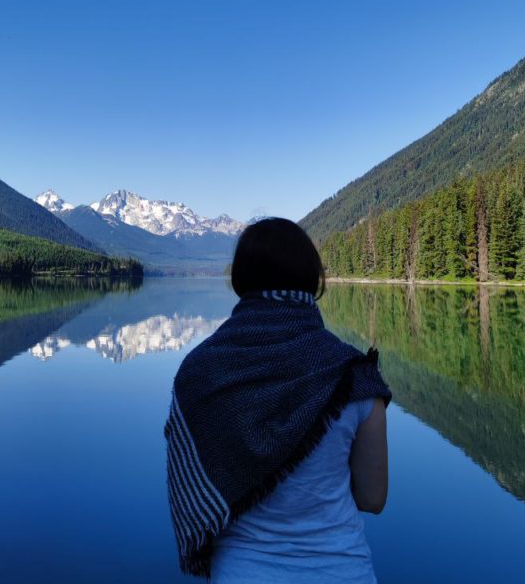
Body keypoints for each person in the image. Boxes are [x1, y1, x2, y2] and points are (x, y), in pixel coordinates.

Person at [165, 217, 391, 582]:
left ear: (241, 279)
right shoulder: (354, 375)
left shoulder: (200, 373)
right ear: (311, 278)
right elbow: (372, 498)